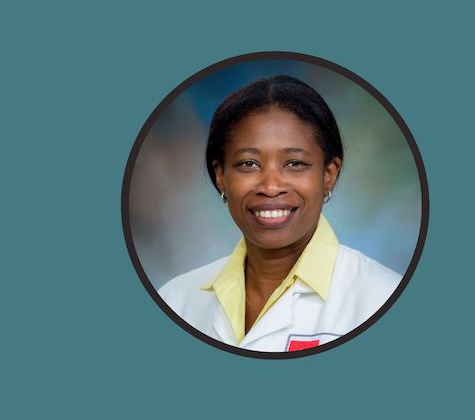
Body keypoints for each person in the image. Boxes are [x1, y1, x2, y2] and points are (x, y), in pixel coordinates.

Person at [160, 75, 401, 352]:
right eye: (248, 163)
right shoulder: (175, 301)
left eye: (295, 163)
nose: (271, 186)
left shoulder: (382, 298)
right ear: (221, 177)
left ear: (328, 175)